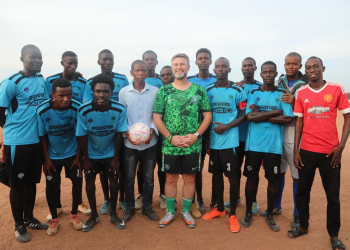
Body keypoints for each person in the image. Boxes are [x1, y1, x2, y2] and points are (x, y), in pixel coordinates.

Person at [287, 57, 350, 250]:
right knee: (303, 192)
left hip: (330, 154)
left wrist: (341, 146)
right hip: (306, 151)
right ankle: (303, 226)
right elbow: (299, 122)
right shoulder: (301, 92)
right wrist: (297, 151)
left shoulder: (336, 89)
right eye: (308, 68)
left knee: (332, 196)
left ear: (323, 68)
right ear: (305, 71)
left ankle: (333, 235)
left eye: (316, 67)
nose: (312, 70)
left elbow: (347, 118)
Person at [153, 53, 212, 228]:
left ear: (188, 67)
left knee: (190, 178)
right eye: (176, 64)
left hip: (192, 145)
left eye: (182, 64)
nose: (179, 67)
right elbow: (157, 118)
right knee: (170, 179)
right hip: (170, 145)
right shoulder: (164, 91)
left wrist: (196, 135)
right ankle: (170, 211)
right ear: (172, 68)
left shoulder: (199, 90)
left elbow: (207, 115)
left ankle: (186, 210)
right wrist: (170, 138)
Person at [0, 44, 48, 243]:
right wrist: (9, 132)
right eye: (32, 57)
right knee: (17, 185)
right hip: (17, 142)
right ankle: (18, 224)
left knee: (31, 182)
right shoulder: (12, 82)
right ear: (22, 58)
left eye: (40, 57)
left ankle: (29, 218)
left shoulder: (40, 79)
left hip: (36, 141)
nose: (37, 61)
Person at [241, 61, 293, 232]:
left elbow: (287, 119)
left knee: (272, 181)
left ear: (276, 73)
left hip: (273, 146)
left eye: (271, 72)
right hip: (253, 145)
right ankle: (248, 212)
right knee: (251, 178)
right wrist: (275, 112)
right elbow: (249, 117)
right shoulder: (254, 92)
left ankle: (269, 214)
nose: (268, 74)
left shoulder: (282, 94)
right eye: (265, 72)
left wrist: (261, 114)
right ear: (261, 74)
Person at [260, 52, 308, 228]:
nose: (291, 66)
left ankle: (296, 213)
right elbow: (264, 88)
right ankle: (276, 207)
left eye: (295, 64)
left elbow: (309, 107)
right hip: (276, 132)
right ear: (284, 65)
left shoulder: (306, 84)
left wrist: (295, 101)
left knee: (296, 174)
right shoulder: (279, 82)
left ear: (299, 66)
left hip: (294, 132)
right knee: (278, 172)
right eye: (288, 63)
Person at [76, 74, 127, 231]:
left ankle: (113, 214)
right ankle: (94, 216)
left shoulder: (119, 109)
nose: (102, 95)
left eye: (106, 91)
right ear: (92, 91)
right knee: (90, 181)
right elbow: (82, 135)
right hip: (91, 154)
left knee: (114, 180)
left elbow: (119, 134)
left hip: (111, 152)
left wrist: (116, 158)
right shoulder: (83, 110)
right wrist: (87, 159)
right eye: (98, 91)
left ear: (112, 92)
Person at [44, 51, 91, 221]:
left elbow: (84, 106)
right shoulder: (50, 81)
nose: (72, 66)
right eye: (68, 63)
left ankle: (78, 204)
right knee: (53, 180)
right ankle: (56, 207)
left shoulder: (83, 83)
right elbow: (47, 106)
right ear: (62, 63)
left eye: (74, 63)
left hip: (73, 134)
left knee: (77, 178)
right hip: (54, 141)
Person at [203, 57, 247, 233]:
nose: (221, 69)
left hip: (231, 142)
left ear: (229, 69)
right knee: (216, 175)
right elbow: (206, 115)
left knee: (233, 177)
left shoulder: (237, 90)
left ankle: (233, 215)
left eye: (224, 67)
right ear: (214, 70)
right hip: (213, 142)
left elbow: (244, 115)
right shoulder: (208, 90)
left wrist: (227, 126)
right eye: (218, 67)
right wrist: (206, 139)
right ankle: (220, 209)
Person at [83, 49, 129, 215]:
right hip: (99, 129)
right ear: (99, 62)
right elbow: (89, 104)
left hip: (117, 126)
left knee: (119, 168)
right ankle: (107, 200)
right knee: (102, 169)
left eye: (110, 59)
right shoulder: (91, 81)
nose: (108, 62)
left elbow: (126, 100)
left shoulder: (122, 79)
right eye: (104, 59)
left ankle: (121, 199)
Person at [37, 78, 83, 235]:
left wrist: (78, 157)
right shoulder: (42, 110)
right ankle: (55, 218)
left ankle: (74, 214)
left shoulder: (77, 108)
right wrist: (46, 159)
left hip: (72, 154)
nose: (66, 99)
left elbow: (80, 134)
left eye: (69, 95)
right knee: (51, 184)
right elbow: (42, 136)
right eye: (61, 95)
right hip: (52, 156)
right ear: (52, 95)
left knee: (77, 181)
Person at [119, 60, 159, 222]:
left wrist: (151, 130)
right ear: (132, 73)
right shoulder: (124, 92)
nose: (141, 73)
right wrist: (127, 134)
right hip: (129, 143)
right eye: (137, 70)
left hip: (151, 142)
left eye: (143, 70)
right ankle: (129, 207)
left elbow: (157, 114)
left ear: (147, 73)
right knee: (129, 177)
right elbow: (122, 115)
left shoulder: (155, 91)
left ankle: (147, 206)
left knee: (149, 177)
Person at [225, 57, 262, 214]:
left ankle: (252, 201)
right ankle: (237, 196)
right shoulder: (235, 86)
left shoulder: (262, 87)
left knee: (253, 172)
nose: (247, 68)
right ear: (241, 68)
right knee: (236, 169)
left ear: (255, 68)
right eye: (244, 66)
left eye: (250, 66)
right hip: (237, 137)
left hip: (254, 137)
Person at [187, 48, 217, 217]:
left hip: (214, 133)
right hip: (195, 132)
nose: (203, 60)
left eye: (206, 58)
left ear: (210, 61)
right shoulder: (190, 81)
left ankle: (214, 199)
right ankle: (197, 199)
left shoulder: (217, 80)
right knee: (196, 168)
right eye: (200, 58)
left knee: (215, 168)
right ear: (196, 62)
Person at [135, 50, 165, 210]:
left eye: (152, 60)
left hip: (160, 128)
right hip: (141, 131)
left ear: (156, 62)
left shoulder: (162, 81)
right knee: (142, 164)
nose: (149, 62)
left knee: (161, 163)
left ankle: (163, 195)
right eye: (146, 60)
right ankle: (140, 194)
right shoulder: (137, 81)